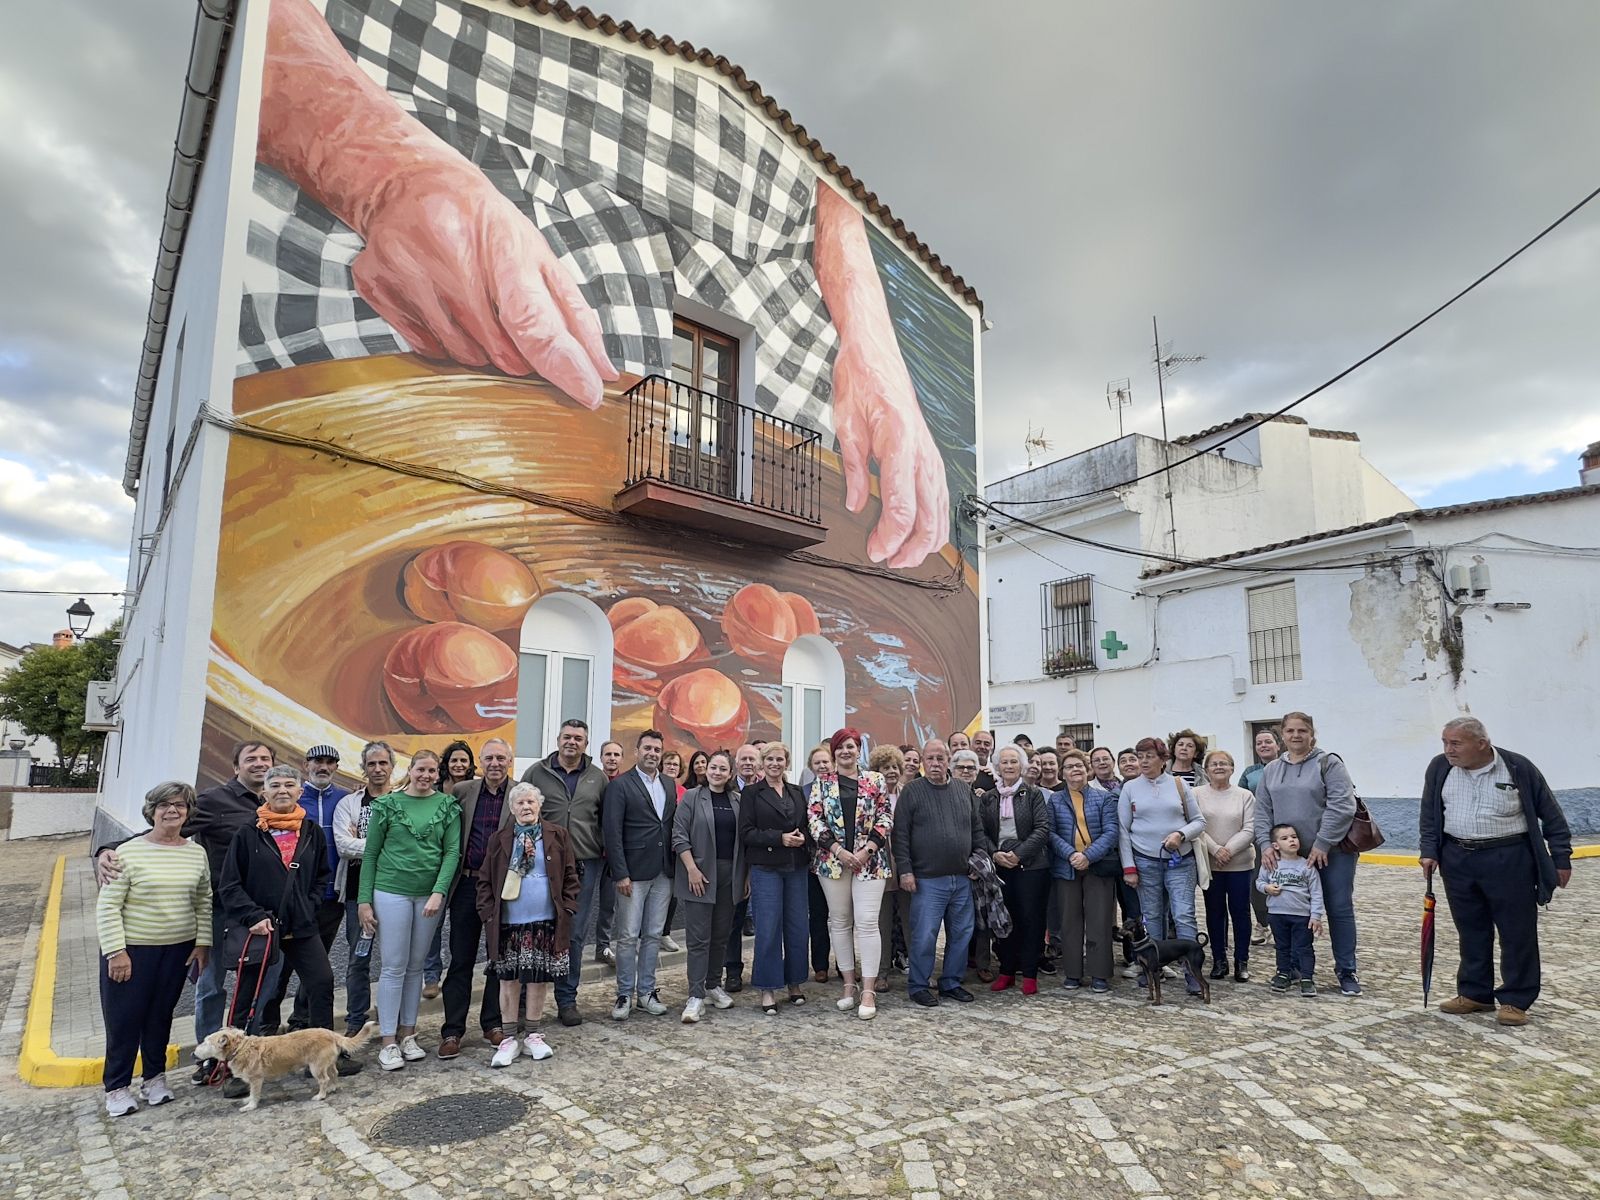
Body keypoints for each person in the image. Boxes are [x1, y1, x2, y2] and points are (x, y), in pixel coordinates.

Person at [95, 740, 274, 1076]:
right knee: (211, 987)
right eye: (251, 758)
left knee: (262, 984)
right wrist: (107, 848)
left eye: (266, 758)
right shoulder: (213, 801)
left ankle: (249, 1056)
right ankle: (209, 1058)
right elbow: (162, 830)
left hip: (263, 913)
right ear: (236, 767)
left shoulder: (280, 799)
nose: (259, 763)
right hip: (222, 911)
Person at [1419, 717, 1573, 1027]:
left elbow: (1551, 814)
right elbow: (1429, 812)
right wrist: (1429, 851)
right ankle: (1475, 993)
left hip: (1509, 857)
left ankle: (1516, 999)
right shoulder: (1440, 768)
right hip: (1458, 858)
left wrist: (1561, 858)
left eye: (1455, 743)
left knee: (1517, 931)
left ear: (1481, 744)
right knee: (1471, 929)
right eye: (1445, 743)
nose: (1448, 750)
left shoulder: (1517, 767)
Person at [95, 782, 212, 1116]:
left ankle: (154, 1079)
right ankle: (117, 1087)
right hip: (133, 951)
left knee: (160, 1017)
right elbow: (108, 907)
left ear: (188, 812)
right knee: (124, 1020)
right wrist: (116, 952)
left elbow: (204, 900)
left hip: (177, 950)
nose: (172, 811)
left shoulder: (195, 853)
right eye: (164, 805)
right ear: (152, 811)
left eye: (179, 805)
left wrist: (202, 943)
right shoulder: (127, 852)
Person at [357, 749, 461, 1071]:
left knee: (417, 966)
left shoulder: (447, 807)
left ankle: (408, 1034)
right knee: (393, 966)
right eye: (421, 769)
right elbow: (371, 854)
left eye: (432, 771)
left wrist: (438, 892)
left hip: (427, 896)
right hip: (391, 892)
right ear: (410, 770)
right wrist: (364, 901)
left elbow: (451, 852)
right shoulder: (387, 805)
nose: (426, 775)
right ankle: (387, 1042)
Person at [218, 766, 337, 1045]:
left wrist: (309, 905)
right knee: (248, 994)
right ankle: (235, 1063)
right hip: (260, 928)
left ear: (299, 791)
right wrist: (253, 916)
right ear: (264, 792)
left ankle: (326, 1054)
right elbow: (230, 884)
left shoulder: (311, 832)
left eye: (288, 785)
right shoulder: (248, 833)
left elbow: (322, 876)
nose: (282, 790)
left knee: (321, 983)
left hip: (301, 925)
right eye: (275, 785)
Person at [1253, 712, 1362, 996]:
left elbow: (1342, 805)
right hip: (1289, 857)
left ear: (1312, 732)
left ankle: (1346, 971)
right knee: (1289, 913)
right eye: (1290, 730)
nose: (1296, 735)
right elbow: (1262, 810)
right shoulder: (1272, 769)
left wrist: (1323, 842)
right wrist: (1266, 844)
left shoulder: (1328, 763)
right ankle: (1291, 969)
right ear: (1282, 735)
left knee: (1338, 909)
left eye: (1303, 730)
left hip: (1331, 852)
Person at [477, 783, 579, 1066]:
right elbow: (485, 880)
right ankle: (508, 1039)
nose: (526, 807)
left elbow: (571, 873)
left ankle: (533, 1034)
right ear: (512, 809)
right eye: (520, 803)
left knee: (538, 978)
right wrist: (487, 913)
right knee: (508, 980)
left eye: (531, 802)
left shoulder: (557, 835)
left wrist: (568, 906)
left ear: (540, 806)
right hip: (509, 922)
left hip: (545, 921)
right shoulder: (500, 839)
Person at [522, 718, 609, 1027]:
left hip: (585, 863)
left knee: (573, 933)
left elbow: (605, 821)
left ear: (586, 745)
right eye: (567, 737)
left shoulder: (597, 778)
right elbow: (520, 812)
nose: (572, 742)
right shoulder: (536, 773)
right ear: (558, 739)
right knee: (534, 929)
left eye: (579, 738)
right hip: (542, 864)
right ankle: (524, 1002)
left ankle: (566, 999)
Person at [258, 744, 349, 1037]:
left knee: (317, 970)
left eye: (329, 762)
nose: (323, 767)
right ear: (306, 764)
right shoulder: (290, 801)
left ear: (336, 766)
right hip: (284, 904)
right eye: (317, 761)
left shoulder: (344, 799)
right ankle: (267, 1030)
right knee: (277, 971)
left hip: (329, 897)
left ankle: (302, 1022)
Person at [893, 739, 986, 1007]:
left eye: (940, 758)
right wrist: (906, 871)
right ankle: (919, 985)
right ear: (923, 761)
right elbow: (901, 835)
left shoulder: (962, 789)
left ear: (949, 760)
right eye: (930, 759)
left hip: (962, 878)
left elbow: (976, 829)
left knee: (961, 933)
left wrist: (979, 861)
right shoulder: (911, 792)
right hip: (926, 880)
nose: (935, 763)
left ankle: (951, 983)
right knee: (924, 935)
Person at [808, 728, 893, 1019]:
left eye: (851, 746)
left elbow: (884, 816)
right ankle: (848, 984)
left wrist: (865, 850)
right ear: (833, 753)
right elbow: (815, 820)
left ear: (859, 750)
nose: (846, 752)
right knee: (840, 922)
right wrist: (839, 852)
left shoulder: (875, 780)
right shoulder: (822, 782)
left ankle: (867, 989)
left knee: (868, 923)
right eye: (840, 747)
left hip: (870, 861)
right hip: (833, 863)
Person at [439, 737, 514, 1058]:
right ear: (480, 762)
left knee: (498, 958)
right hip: (467, 885)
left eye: (500, 757)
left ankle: (493, 1023)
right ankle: (452, 1030)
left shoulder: (520, 794)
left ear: (509, 761)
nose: (494, 763)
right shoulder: (463, 792)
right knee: (460, 959)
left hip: (504, 889)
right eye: (489, 758)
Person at [1119, 737, 1206, 996]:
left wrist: (1180, 833)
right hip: (1145, 860)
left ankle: (1192, 972)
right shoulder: (1130, 788)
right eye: (1139, 756)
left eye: (1149, 756)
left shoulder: (1179, 785)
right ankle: (1151, 971)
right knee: (1152, 916)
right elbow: (1124, 831)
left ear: (1162, 759)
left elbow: (1199, 821)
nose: (1143, 761)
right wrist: (1129, 868)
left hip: (1180, 861)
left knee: (1183, 915)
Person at [603, 729, 677, 1020]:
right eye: (647, 748)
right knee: (628, 935)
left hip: (663, 872)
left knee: (654, 934)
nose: (652, 754)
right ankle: (624, 994)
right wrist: (620, 873)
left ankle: (647, 991)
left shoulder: (669, 785)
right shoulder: (621, 786)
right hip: (632, 874)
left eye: (657, 749)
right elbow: (612, 831)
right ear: (637, 750)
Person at [674, 750, 746, 1022]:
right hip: (700, 875)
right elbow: (678, 834)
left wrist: (745, 877)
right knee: (698, 938)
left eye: (723, 769)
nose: (717, 772)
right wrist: (691, 869)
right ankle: (695, 995)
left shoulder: (737, 801)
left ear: (730, 773)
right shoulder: (692, 797)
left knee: (721, 935)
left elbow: (744, 842)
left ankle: (713, 985)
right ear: (707, 770)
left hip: (730, 876)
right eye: (713, 767)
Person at [741, 742, 812, 1014]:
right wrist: (779, 838)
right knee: (768, 928)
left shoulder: (796, 792)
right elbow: (746, 832)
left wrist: (803, 836)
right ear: (762, 763)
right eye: (769, 759)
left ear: (787, 762)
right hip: (766, 867)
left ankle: (794, 984)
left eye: (780, 759)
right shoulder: (751, 793)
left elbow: (805, 823)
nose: (775, 764)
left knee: (796, 927)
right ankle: (768, 988)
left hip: (796, 866)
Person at [332, 740, 395, 1037]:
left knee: (395, 961)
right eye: (372, 764)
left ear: (392, 767)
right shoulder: (349, 804)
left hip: (397, 891)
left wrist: (366, 845)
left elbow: (412, 846)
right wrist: (385, 846)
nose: (378, 769)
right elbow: (343, 846)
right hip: (359, 894)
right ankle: (356, 1020)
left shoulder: (402, 801)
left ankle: (391, 1019)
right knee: (359, 959)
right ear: (364, 768)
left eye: (383, 763)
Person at [1046, 750, 1119, 994]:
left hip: (1097, 867)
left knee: (1099, 922)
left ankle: (1099, 974)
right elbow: (1050, 832)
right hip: (1066, 868)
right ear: (1062, 772)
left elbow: (1111, 832)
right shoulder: (1055, 800)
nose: (1074, 770)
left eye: (1079, 766)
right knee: (1070, 922)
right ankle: (1073, 973)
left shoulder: (1104, 798)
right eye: (1068, 767)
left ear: (1087, 769)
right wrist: (1071, 855)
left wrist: (1088, 856)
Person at [980, 745, 1050, 994]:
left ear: (1021, 766)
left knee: (1031, 920)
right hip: (1000, 867)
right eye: (1004, 762)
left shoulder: (1033, 794)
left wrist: (1018, 854)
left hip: (1031, 867)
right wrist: (995, 854)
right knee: (1004, 921)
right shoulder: (988, 797)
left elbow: (1042, 829)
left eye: (1013, 762)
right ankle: (1007, 971)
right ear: (997, 766)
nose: (1008, 766)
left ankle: (1030, 974)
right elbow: (982, 833)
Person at [1194, 750, 1256, 983]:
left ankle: (1242, 961)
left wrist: (1228, 849)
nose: (1219, 767)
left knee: (1240, 912)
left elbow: (1250, 828)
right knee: (1215, 913)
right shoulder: (1196, 794)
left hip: (1239, 864)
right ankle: (1219, 959)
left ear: (1232, 768)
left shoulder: (1244, 795)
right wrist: (1215, 850)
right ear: (1206, 769)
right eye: (1214, 764)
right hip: (1211, 865)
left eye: (1224, 764)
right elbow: (1195, 825)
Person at [1256, 824, 1324, 996]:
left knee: (1304, 947)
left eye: (1294, 837)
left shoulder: (1306, 866)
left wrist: (1315, 916)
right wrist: (1267, 888)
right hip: (1277, 914)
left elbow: (1316, 892)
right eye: (1285, 838)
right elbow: (1259, 882)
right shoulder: (1270, 864)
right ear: (1275, 845)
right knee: (1282, 947)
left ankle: (1307, 978)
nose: (1291, 840)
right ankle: (1283, 973)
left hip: (1301, 915)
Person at [721, 742, 764, 992]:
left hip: (762, 865)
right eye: (743, 759)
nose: (748, 763)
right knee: (733, 922)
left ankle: (762, 970)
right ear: (736, 764)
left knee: (764, 921)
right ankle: (733, 972)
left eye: (752, 759)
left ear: (758, 763)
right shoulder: (725, 790)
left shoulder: (764, 789)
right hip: (734, 866)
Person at [869, 744, 912, 974]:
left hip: (906, 863)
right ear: (877, 770)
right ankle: (881, 971)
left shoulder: (909, 792)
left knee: (910, 920)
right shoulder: (871, 795)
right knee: (882, 922)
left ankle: (918, 970)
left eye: (895, 767)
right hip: (880, 863)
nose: (892, 771)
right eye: (886, 767)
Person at [951, 748, 992, 980]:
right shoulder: (944, 794)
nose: (966, 771)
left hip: (979, 864)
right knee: (958, 920)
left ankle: (983, 963)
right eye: (961, 767)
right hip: (953, 864)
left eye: (970, 768)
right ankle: (960, 963)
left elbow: (987, 830)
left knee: (982, 917)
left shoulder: (982, 798)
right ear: (952, 770)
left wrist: (980, 860)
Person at [1240, 728, 1283, 947]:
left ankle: (1282, 925)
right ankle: (1262, 924)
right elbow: (1240, 800)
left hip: (1286, 832)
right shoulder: (1250, 772)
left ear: (1278, 745)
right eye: (1259, 743)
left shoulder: (1287, 767)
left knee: (1285, 878)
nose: (1263, 746)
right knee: (1258, 878)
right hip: (1259, 833)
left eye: (1268, 742)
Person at [804, 745, 838, 982]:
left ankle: (845, 965)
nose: (822, 766)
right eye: (817, 763)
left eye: (826, 762)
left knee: (842, 917)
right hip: (814, 863)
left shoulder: (843, 786)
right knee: (818, 915)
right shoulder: (802, 791)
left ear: (833, 763)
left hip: (842, 861)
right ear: (811, 767)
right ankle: (820, 965)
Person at [593, 740, 626, 968]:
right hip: (590, 850)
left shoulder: (625, 784)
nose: (612, 758)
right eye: (608, 754)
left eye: (616, 754)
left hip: (612, 855)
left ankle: (602, 946)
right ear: (601, 757)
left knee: (609, 903)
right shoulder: (593, 781)